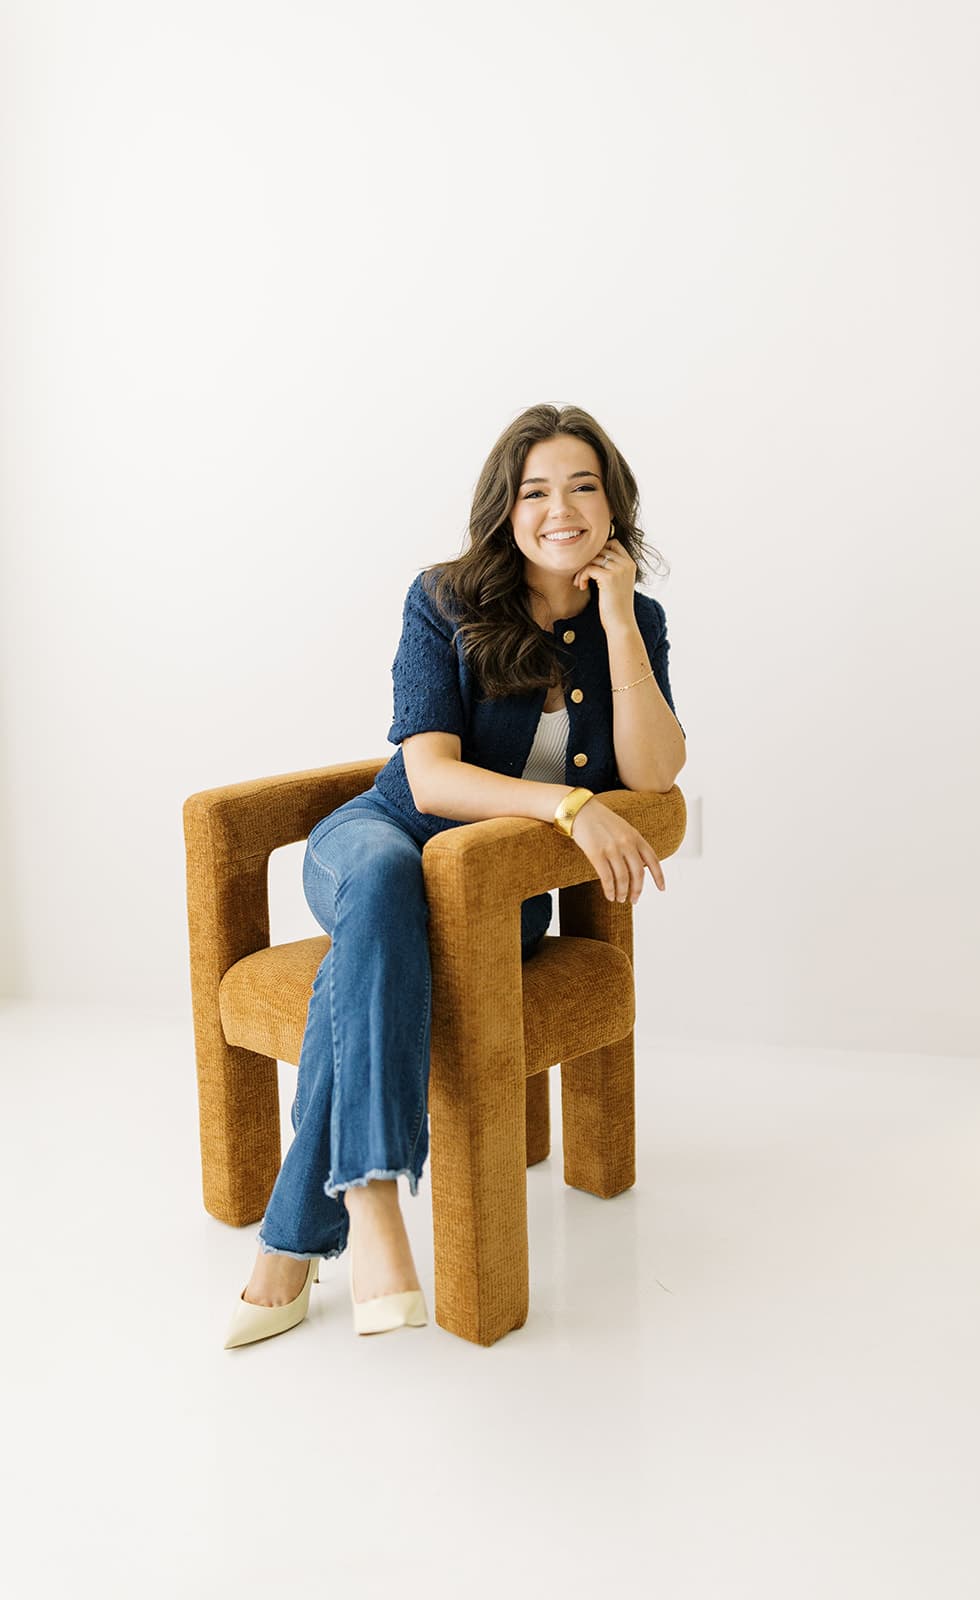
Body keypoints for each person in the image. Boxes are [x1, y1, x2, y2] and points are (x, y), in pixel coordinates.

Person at [222, 403, 686, 1348]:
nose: (562, 509)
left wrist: (618, 624)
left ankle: (294, 1240)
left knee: (363, 966)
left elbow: (656, 770)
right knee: (388, 886)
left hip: (484, 898)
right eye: (535, 491)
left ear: (614, 503)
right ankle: (379, 1194)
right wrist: (565, 804)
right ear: (504, 511)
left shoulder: (633, 618)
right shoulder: (445, 598)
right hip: (374, 839)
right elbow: (427, 776)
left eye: (584, 486)